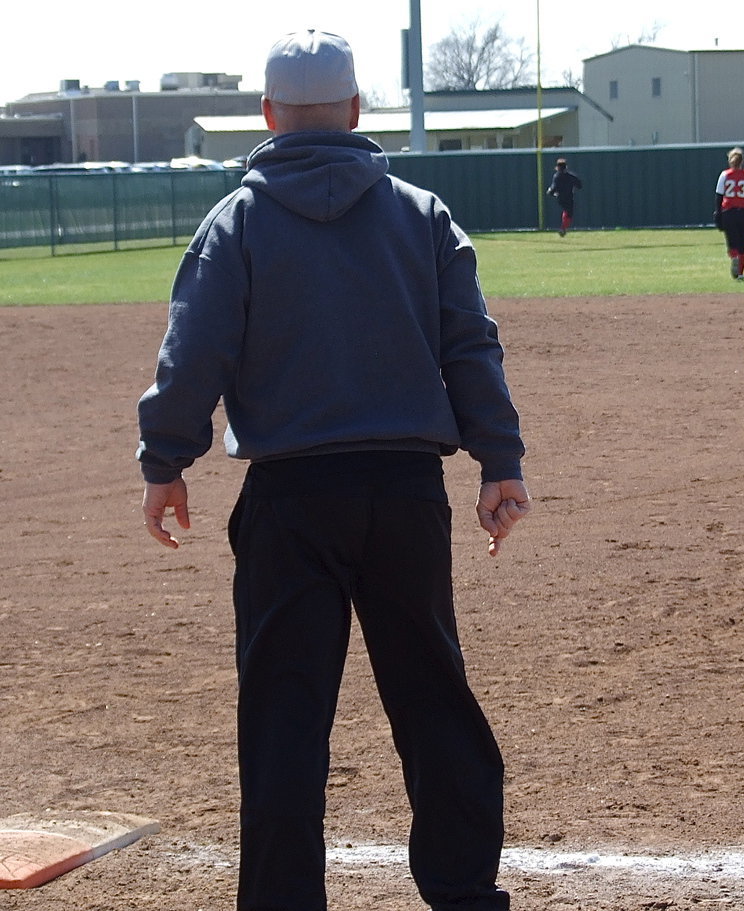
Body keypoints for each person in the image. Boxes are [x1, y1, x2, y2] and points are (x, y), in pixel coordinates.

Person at [136, 30, 531, 911]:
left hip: (289, 502)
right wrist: (498, 460)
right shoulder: (421, 213)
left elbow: (191, 354)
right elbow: (472, 344)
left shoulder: (234, 222)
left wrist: (166, 461)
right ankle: (465, 891)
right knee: (432, 692)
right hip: (404, 496)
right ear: (357, 112)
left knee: (283, 717)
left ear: (268, 116)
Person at [714, 146, 744, 280]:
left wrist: (718, 213)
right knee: (743, 242)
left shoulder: (725, 174)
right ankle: (740, 273)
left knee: (731, 241)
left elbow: (719, 195)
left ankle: (733, 257)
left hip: (729, 211)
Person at [546, 157, 583, 236]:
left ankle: (563, 228)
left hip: (560, 198)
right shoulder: (571, 176)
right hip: (569, 197)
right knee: (568, 213)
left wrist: (550, 192)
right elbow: (579, 185)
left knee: (566, 212)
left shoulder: (557, 176)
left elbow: (553, 188)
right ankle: (563, 228)